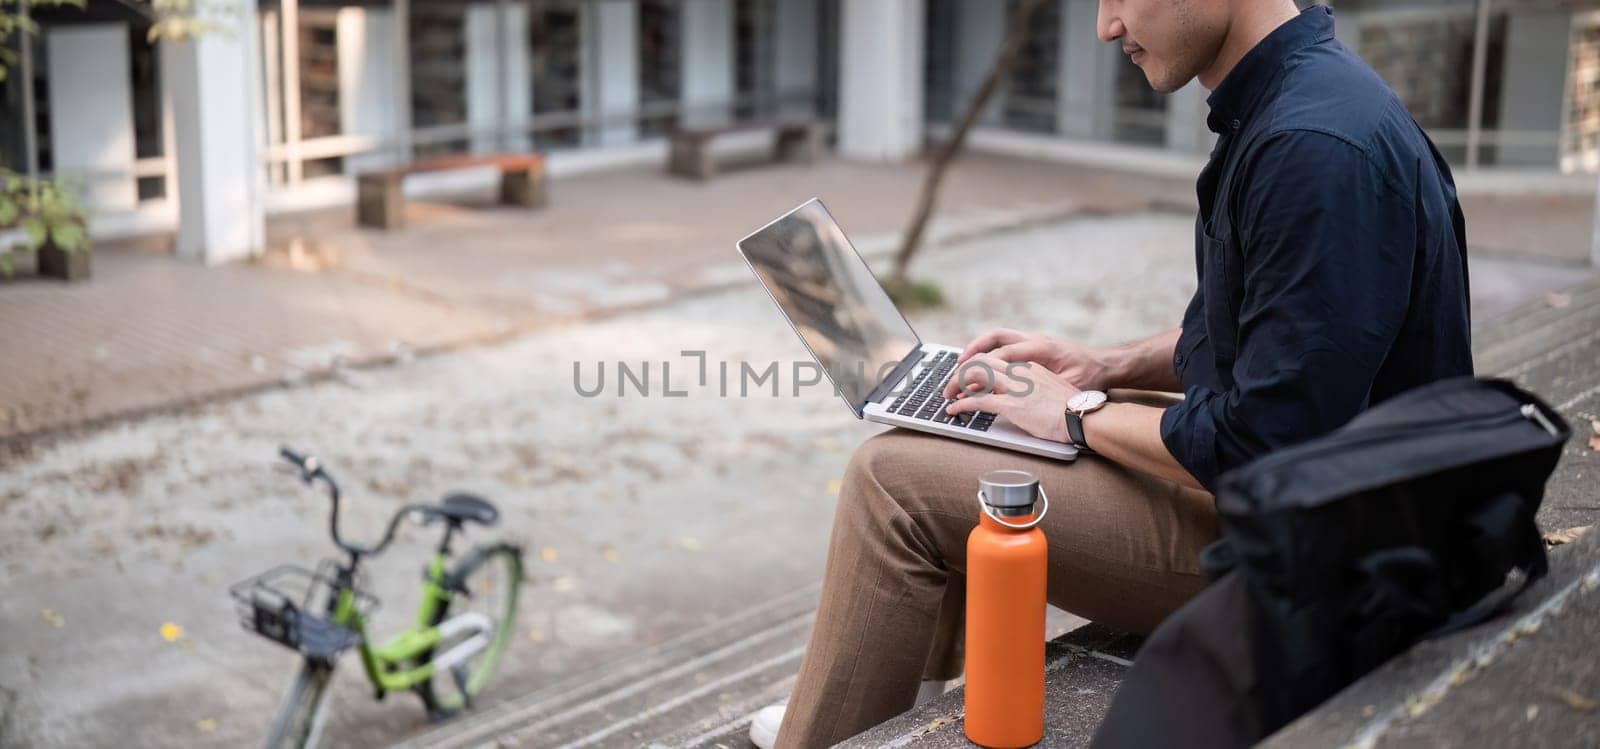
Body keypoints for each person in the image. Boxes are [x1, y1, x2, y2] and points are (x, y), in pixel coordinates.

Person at [750, 0, 1472, 746]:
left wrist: (1075, 414)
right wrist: (1102, 366)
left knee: (890, 479)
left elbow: (1267, 448)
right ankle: (878, 699)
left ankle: (828, 732)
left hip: (1328, 568)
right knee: (989, 418)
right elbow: (1254, 344)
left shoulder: (1313, 147)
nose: (1105, 26)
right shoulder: (1307, 99)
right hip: (1333, 505)